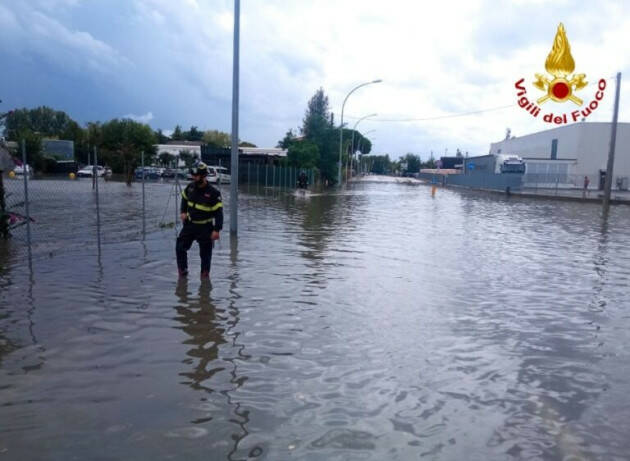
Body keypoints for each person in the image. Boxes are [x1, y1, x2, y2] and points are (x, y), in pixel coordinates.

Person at [176, 162, 223, 279]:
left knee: (205, 255)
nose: (193, 177)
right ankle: (183, 272)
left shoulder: (213, 193)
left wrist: (217, 230)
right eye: (193, 175)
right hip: (190, 225)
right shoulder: (190, 187)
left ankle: (205, 277)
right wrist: (183, 212)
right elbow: (184, 199)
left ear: (203, 176)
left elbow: (219, 213)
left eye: (196, 176)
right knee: (179, 247)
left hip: (205, 228)